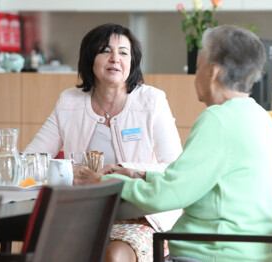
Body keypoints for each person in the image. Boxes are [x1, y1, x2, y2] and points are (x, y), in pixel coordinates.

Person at [75, 25, 272, 262]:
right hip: (254, 251)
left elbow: (167, 196)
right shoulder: (260, 117)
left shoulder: (218, 119)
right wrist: (140, 175)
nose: (196, 76)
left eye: (198, 67)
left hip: (214, 253)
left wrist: (102, 181)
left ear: (213, 71)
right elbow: (192, 183)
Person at [25, 23, 183, 262]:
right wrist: (69, 172)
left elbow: (174, 168)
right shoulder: (70, 102)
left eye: (123, 52)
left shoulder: (152, 101)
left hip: (141, 216)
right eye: (105, 51)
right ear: (90, 58)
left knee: (115, 256)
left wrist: (125, 173)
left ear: (132, 61)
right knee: (44, 252)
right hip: (84, 214)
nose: (114, 59)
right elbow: (31, 161)